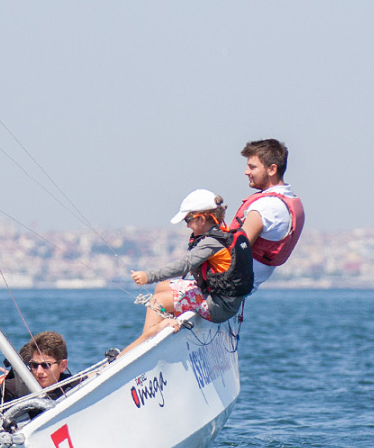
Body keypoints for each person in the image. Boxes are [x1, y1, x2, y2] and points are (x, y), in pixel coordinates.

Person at [121, 189, 254, 354]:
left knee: (156, 302)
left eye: (188, 220)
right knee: (162, 287)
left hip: (219, 307)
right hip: (223, 299)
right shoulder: (223, 234)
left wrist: (149, 276)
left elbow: (183, 265)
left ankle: (144, 349)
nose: (187, 225)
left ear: (202, 219)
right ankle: (164, 330)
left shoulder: (211, 242)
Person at [0, 331, 77, 448]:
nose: (39, 371)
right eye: (34, 365)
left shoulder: (73, 386)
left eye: (46, 365)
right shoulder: (14, 387)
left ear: (63, 366)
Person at [229, 139, 305, 291]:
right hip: (236, 289)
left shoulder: (268, 207)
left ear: (272, 169)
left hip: (222, 290)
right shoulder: (288, 199)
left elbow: (234, 250)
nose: (246, 172)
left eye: (252, 167)